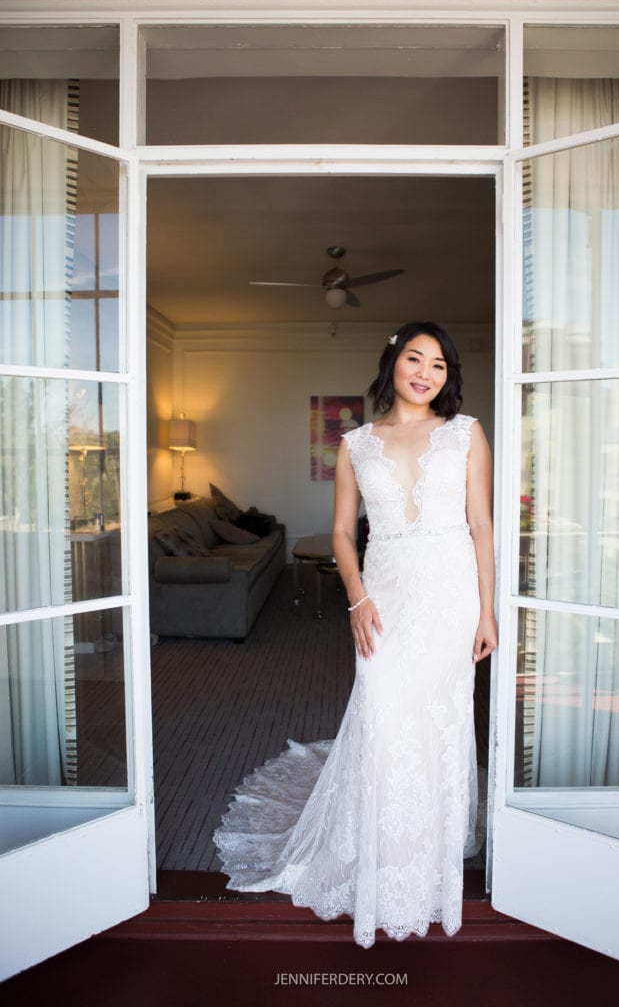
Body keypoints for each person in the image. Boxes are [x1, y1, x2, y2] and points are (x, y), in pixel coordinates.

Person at [213, 321, 497, 949]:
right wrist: (356, 599)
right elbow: (343, 533)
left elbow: (481, 524)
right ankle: (383, 857)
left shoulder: (466, 433)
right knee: (384, 713)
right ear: (392, 363)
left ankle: (428, 856)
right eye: (414, 358)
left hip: (451, 595)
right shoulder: (356, 443)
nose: (425, 373)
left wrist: (487, 611)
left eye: (439, 365)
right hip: (386, 593)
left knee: (440, 718)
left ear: (448, 377)